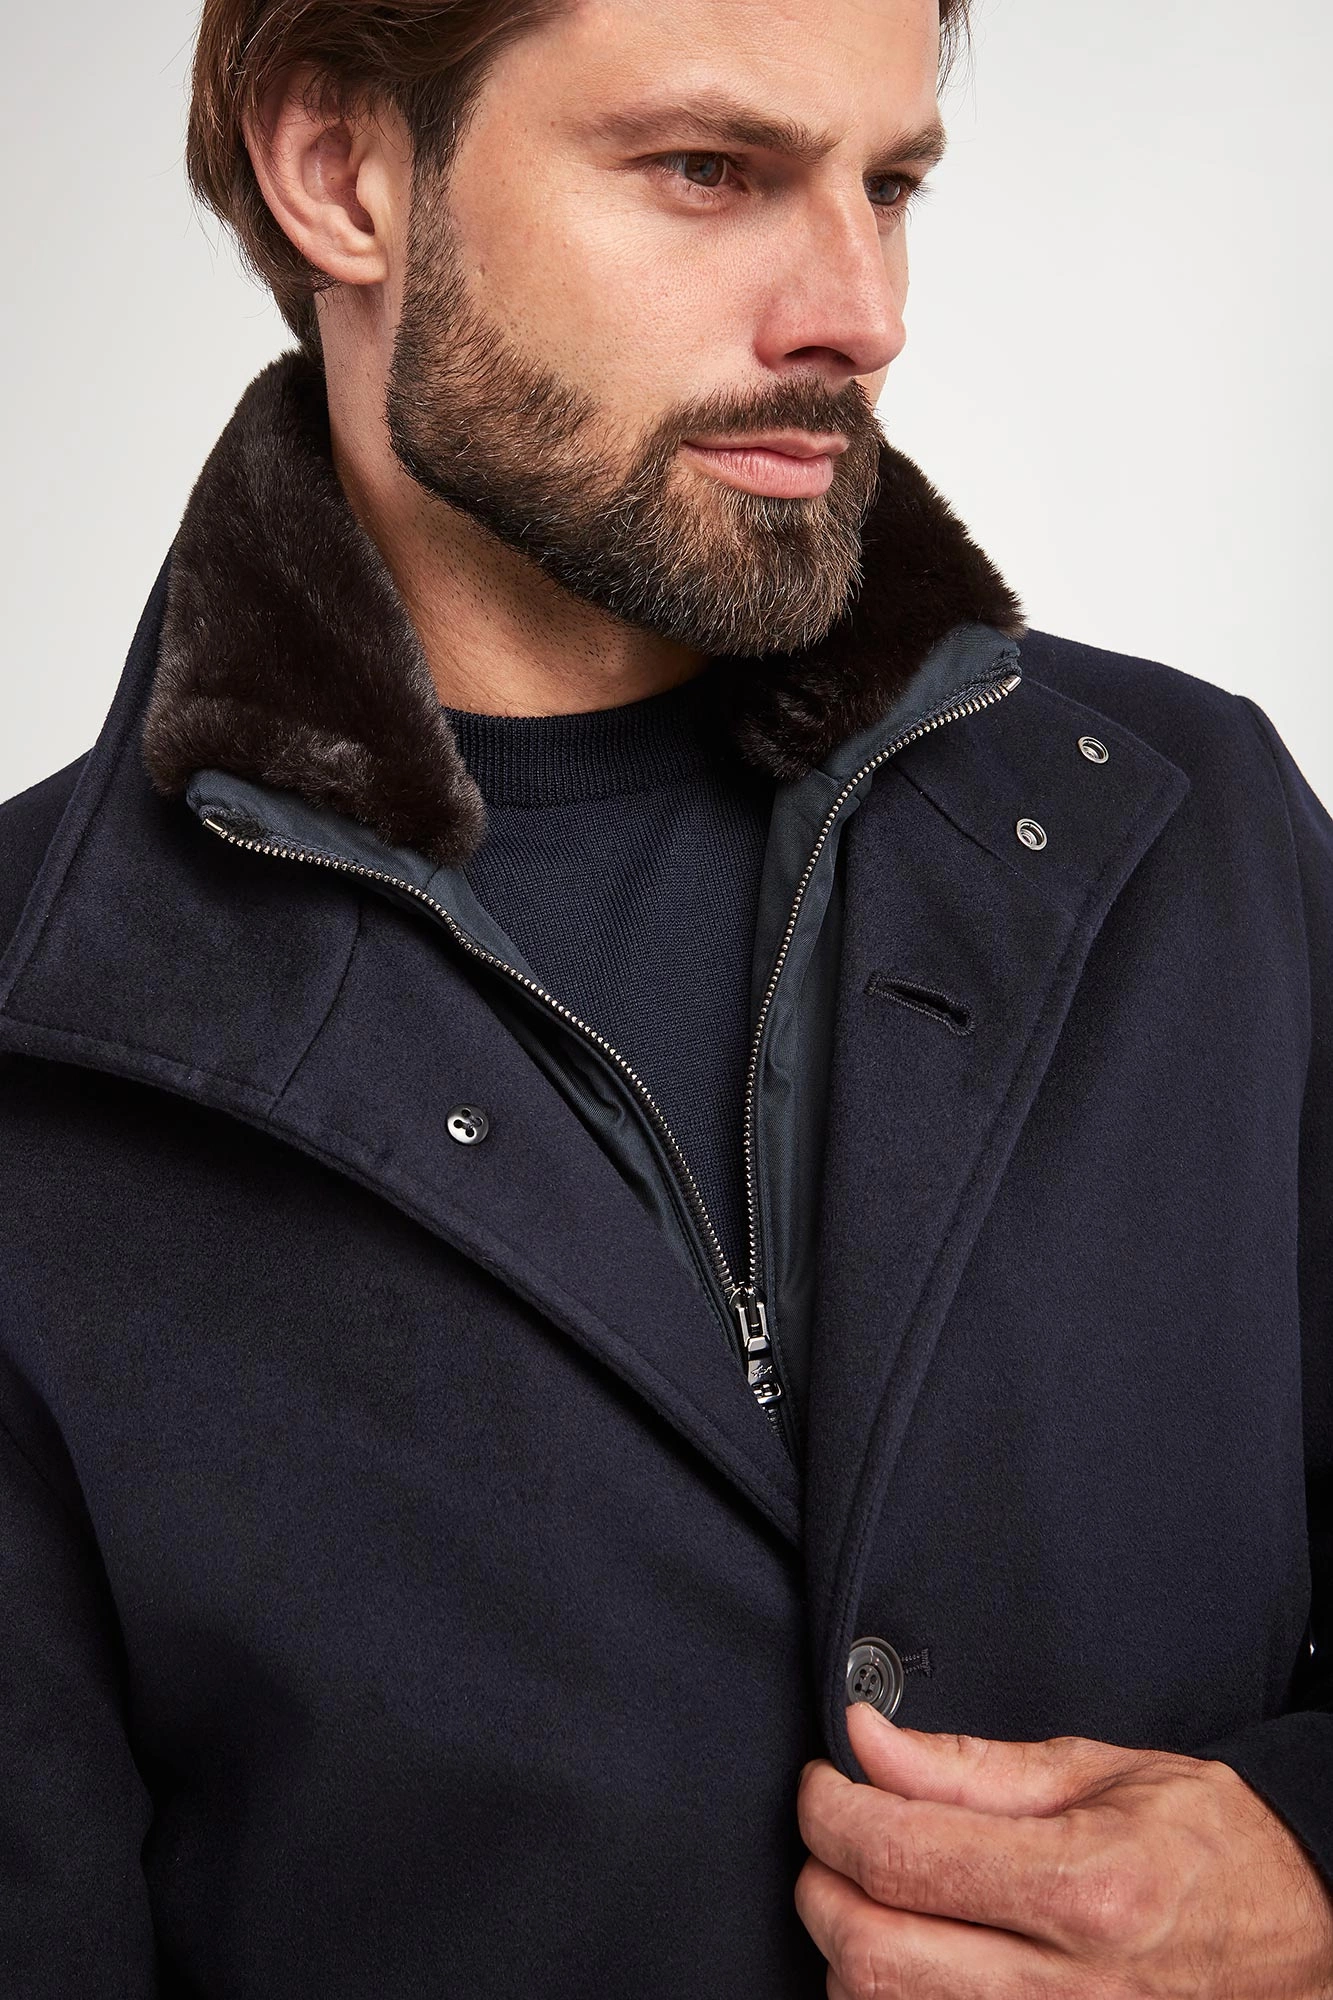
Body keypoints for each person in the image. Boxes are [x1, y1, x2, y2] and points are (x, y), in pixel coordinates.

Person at [1, 0, 1329, 1992]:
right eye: (711, 171)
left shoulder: (1194, 829)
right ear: (341, 170)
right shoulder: (39, 1041)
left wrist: (1319, 1877)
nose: (862, 311)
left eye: (891, 184)